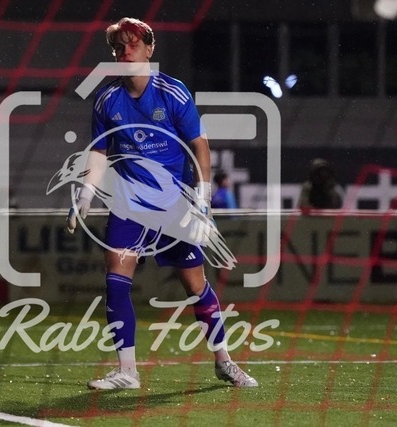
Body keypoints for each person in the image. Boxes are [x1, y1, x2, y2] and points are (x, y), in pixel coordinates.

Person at [66, 17, 257, 390]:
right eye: (118, 47)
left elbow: (200, 145)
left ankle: (224, 362)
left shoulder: (173, 92)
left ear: (149, 49)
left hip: (174, 205)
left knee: (195, 285)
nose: (125, 52)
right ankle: (127, 371)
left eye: (132, 45)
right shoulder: (106, 99)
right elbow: (100, 152)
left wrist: (202, 199)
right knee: (116, 280)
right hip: (129, 205)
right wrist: (86, 193)